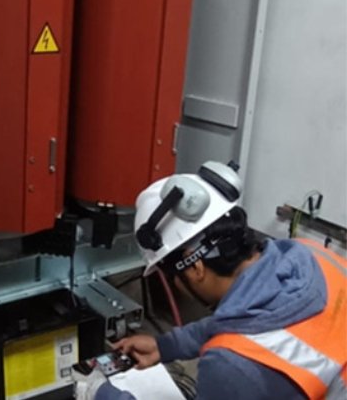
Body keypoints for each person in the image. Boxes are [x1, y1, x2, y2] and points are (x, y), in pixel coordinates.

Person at [76, 161, 346, 400]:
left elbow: (245, 337)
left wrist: (102, 394)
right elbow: (246, 321)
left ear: (195, 268)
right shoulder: (313, 254)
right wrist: (165, 346)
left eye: (172, 277)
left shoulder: (230, 366)